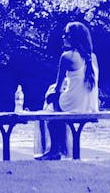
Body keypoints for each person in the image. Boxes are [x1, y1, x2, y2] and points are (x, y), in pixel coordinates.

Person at [36, 21, 99, 160]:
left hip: (72, 105)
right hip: (89, 106)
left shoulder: (67, 56)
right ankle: (59, 149)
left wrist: (51, 94)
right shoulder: (92, 57)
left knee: (49, 104)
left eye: (66, 35)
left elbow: (58, 89)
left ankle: (54, 150)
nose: (63, 37)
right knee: (53, 98)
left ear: (74, 38)